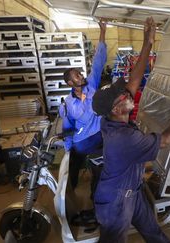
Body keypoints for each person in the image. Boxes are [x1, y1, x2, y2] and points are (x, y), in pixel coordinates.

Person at [92, 17, 170, 243]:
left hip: (132, 191)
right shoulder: (123, 137)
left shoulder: (114, 118)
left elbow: (135, 79)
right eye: (124, 94)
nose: (129, 93)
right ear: (117, 107)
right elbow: (166, 140)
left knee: (153, 232)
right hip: (116, 202)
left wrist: (148, 42)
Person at [59, 20, 107, 201]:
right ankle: (69, 193)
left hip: (98, 135)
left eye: (80, 73)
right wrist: (68, 147)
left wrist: (102, 31)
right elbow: (85, 116)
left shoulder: (90, 85)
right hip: (84, 141)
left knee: (101, 165)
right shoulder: (70, 103)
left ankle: (97, 192)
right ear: (71, 84)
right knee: (73, 164)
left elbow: (98, 61)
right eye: (77, 76)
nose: (81, 76)